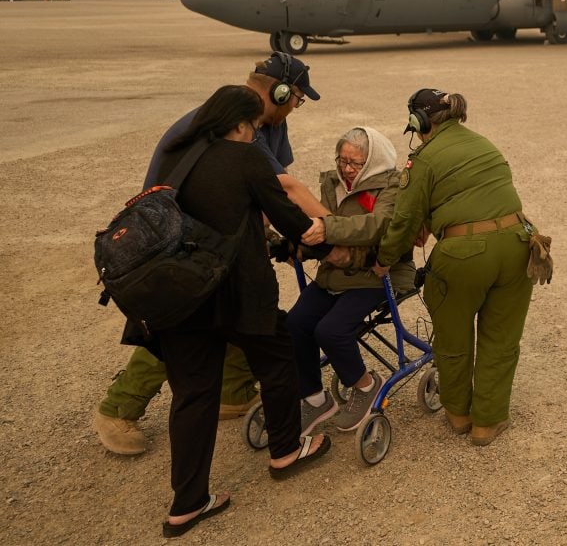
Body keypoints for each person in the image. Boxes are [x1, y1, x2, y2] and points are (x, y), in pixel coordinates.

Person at [93, 51, 330, 455]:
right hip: (179, 243)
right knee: (186, 328)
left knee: (246, 310)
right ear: (281, 91)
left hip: (222, 239)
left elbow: (265, 189)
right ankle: (119, 409)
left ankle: (234, 392)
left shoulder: (269, 123)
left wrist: (268, 238)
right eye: (297, 98)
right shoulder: (224, 120)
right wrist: (340, 230)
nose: (297, 106)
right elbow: (287, 189)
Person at [150, 85, 331, 538]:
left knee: (193, 395)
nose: (254, 134)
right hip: (236, 293)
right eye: (252, 126)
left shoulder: (176, 156)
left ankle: (187, 505)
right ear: (238, 123)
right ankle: (287, 451)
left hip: (180, 295)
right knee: (278, 355)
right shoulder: (245, 157)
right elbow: (288, 218)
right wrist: (323, 234)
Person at [371, 89, 533, 446]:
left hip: (465, 254)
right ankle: (487, 424)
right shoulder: (484, 144)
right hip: (520, 244)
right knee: (501, 339)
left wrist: (383, 260)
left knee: (454, 336)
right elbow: (475, 193)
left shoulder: (423, 160)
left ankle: (459, 415)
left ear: (419, 122)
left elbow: (404, 219)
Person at [286, 127, 416, 435]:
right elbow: (318, 229)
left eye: (355, 163)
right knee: (293, 325)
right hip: (334, 274)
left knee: (330, 331)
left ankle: (367, 384)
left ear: (373, 160)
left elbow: (376, 226)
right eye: (342, 160)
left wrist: (326, 229)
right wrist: (300, 244)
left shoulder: (392, 185)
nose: (346, 168)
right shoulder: (332, 182)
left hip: (375, 275)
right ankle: (316, 399)